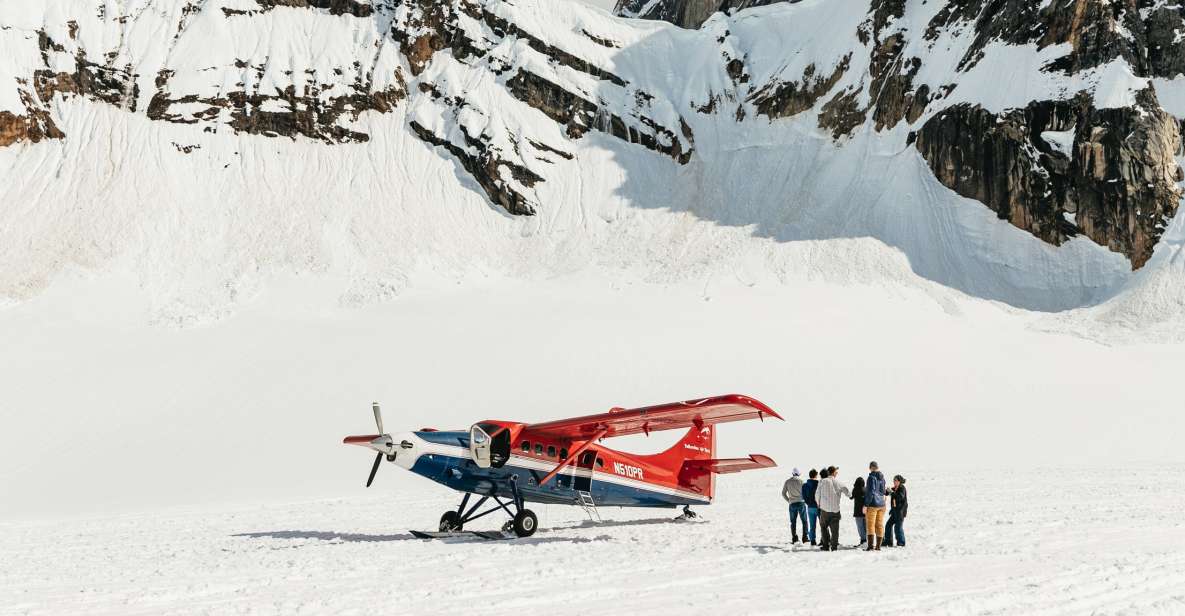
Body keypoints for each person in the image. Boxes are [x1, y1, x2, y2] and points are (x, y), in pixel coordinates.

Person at [816, 465, 851, 551]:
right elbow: (847, 492)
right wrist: (850, 496)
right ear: (834, 473)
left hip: (824, 510)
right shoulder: (839, 483)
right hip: (835, 510)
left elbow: (817, 494)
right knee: (835, 530)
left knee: (823, 528)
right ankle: (834, 547)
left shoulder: (822, 482)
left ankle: (825, 546)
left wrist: (819, 504)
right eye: (836, 472)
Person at [864, 460, 887, 551]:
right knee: (879, 525)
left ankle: (870, 546)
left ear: (871, 468)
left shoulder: (871, 477)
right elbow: (884, 491)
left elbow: (870, 492)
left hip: (873, 504)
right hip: (882, 504)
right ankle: (878, 546)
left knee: (870, 525)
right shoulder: (882, 478)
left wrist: (866, 504)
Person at [781, 468, 807, 543]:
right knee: (804, 521)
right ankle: (805, 537)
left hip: (792, 504)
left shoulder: (787, 481)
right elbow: (805, 492)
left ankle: (794, 538)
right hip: (801, 503)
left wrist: (789, 500)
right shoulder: (801, 481)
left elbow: (783, 493)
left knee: (793, 522)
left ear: (792, 473)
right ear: (798, 474)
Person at [884, 475, 908, 547]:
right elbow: (887, 493)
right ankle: (888, 541)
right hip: (894, 512)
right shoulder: (894, 488)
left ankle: (901, 542)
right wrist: (886, 490)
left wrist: (891, 492)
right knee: (888, 525)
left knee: (898, 528)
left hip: (900, 512)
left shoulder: (902, 488)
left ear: (899, 481)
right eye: (894, 480)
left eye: (896, 480)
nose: (894, 482)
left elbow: (900, 497)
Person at [802, 469, 820, 546]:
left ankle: (812, 540)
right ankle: (823, 539)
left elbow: (804, 496)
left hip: (810, 507)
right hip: (819, 507)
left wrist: (808, 503)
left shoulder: (805, 485)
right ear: (816, 475)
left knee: (812, 525)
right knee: (823, 525)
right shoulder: (819, 484)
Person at [851, 476, 867, 547]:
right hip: (865, 511)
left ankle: (863, 540)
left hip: (858, 512)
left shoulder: (855, 489)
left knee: (860, 527)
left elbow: (851, 497)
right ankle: (866, 540)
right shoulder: (866, 489)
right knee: (865, 526)